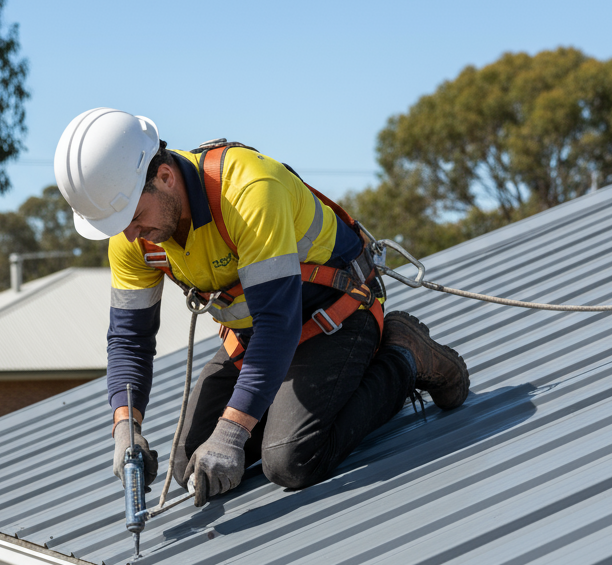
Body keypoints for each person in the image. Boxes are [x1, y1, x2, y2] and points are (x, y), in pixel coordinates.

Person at [54, 108, 469, 506]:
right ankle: (281, 402)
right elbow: (129, 340)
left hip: (332, 318)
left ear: (164, 176)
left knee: (290, 459)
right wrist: (126, 427)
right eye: (118, 224)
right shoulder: (133, 237)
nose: (129, 234)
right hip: (258, 337)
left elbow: (278, 324)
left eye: (134, 216)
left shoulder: (249, 191)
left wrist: (234, 431)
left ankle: (404, 355)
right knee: (190, 466)